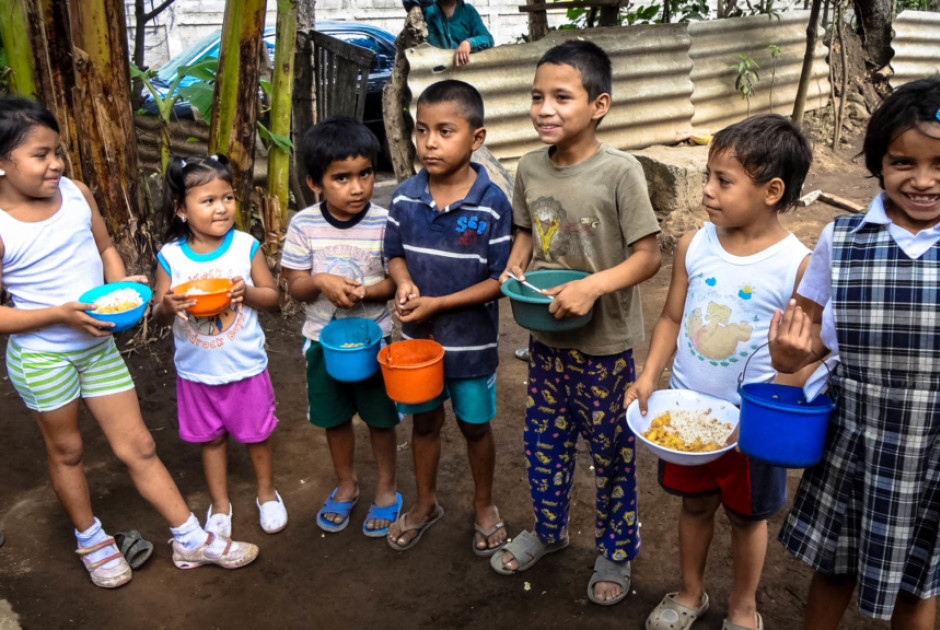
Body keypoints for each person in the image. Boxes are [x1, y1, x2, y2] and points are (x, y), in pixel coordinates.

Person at [0, 97, 258, 589]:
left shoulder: (75, 193)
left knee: (138, 444)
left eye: (57, 152)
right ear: (2, 163)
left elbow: (103, 247)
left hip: (96, 347)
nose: (54, 163)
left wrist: (121, 291)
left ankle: (189, 537)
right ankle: (91, 538)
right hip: (42, 357)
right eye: (39, 155)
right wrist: (59, 315)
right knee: (68, 450)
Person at [624, 114, 814, 630]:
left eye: (722, 181)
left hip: (750, 430)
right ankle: (690, 593)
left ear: (772, 191)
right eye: (708, 175)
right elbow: (669, 317)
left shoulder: (795, 265)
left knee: (749, 517)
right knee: (694, 506)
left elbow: (803, 355)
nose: (707, 191)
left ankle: (743, 606)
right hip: (686, 420)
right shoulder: (694, 244)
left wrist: (763, 413)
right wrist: (648, 375)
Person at [491, 40, 661, 606]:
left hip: (606, 349)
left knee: (611, 452)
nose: (544, 108)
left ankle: (615, 547)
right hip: (546, 343)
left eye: (562, 96)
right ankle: (548, 528)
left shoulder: (621, 173)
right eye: (537, 96)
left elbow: (648, 256)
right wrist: (515, 265)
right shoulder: (528, 167)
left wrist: (593, 285)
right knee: (544, 443)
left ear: (599, 105)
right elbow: (525, 232)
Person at [769, 77, 940, 630]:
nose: (923, 181)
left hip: (933, 449)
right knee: (834, 568)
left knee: (918, 585)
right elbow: (810, 336)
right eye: (902, 163)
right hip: (857, 438)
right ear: (878, 163)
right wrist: (791, 353)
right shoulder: (841, 240)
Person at [383, 79, 512, 555]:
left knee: (476, 426)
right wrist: (403, 282)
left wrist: (439, 303)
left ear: (476, 138)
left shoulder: (493, 204)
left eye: (444, 131)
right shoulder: (404, 197)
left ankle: (484, 506)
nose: (429, 143)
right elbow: (394, 253)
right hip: (419, 346)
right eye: (421, 131)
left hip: (472, 346)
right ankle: (425, 504)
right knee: (423, 424)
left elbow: (500, 280)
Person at [152, 154, 286, 539]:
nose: (221, 208)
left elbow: (273, 298)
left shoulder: (244, 246)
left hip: (245, 366)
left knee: (257, 435)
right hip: (196, 372)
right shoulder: (172, 256)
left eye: (227, 197)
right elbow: (158, 313)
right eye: (207, 201)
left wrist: (248, 293)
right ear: (181, 209)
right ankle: (220, 504)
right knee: (210, 439)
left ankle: (267, 493)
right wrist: (168, 305)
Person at [280, 117, 402, 537]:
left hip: (377, 339)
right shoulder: (304, 225)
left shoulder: (386, 222)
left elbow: (395, 281)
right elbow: (294, 285)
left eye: (365, 174)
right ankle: (346, 484)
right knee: (334, 418)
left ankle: (387, 487)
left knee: (380, 417)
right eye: (341, 178)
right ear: (315, 182)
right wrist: (318, 281)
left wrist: (366, 292)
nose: (357, 188)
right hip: (322, 343)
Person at [408, 0, 494, 67]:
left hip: (462, 74)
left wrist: (468, 43)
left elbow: (487, 38)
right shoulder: (427, 10)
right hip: (434, 75)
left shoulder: (468, 11)